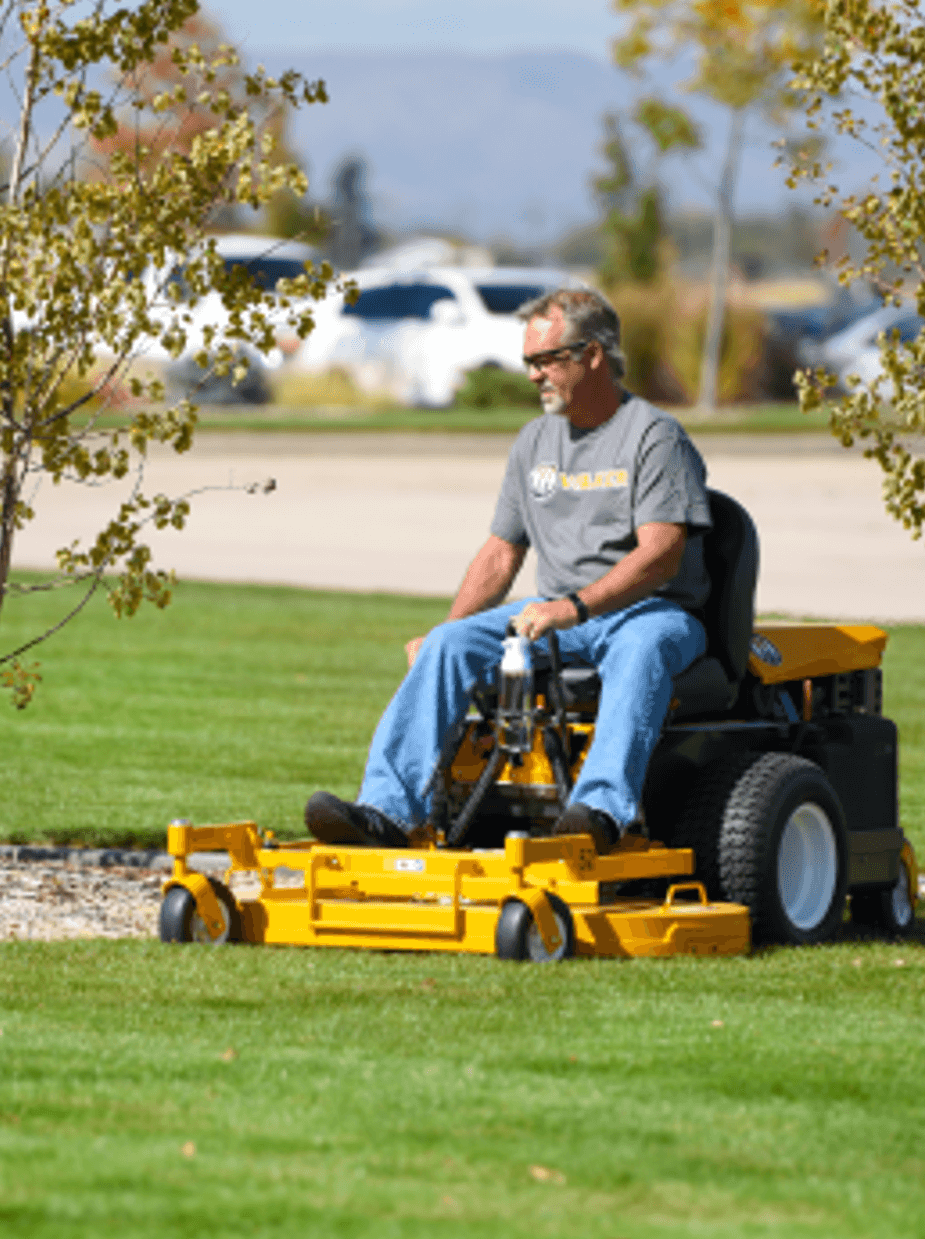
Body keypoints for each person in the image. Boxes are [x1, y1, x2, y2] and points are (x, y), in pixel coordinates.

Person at [305, 286, 712, 856]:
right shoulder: (535, 442)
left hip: (650, 612)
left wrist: (573, 608)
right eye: (529, 362)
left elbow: (661, 553)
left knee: (641, 650)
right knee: (448, 646)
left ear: (593, 356)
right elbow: (501, 553)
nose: (534, 376)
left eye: (547, 360)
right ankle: (388, 811)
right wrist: (446, 631)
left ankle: (599, 811)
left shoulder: (653, 436)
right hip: (556, 616)